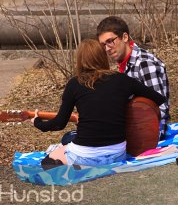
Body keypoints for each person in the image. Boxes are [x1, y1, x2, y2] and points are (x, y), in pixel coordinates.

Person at [33, 39, 165, 167]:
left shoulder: (74, 83)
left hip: (85, 156)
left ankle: (77, 169)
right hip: (117, 154)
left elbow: (59, 124)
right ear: (102, 57)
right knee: (69, 138)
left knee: (47, 162)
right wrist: (129, 104)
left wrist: (37, 122)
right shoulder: (123, 79)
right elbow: (158, 98)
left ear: (79, 60)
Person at [96, 16, 170, 135]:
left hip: (147, 132)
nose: (107, 49)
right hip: (130, 125)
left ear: (125, 37)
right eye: (103, 45)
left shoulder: (145, 64)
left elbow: (160, 108)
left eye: (110, 41)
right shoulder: (124, 64)